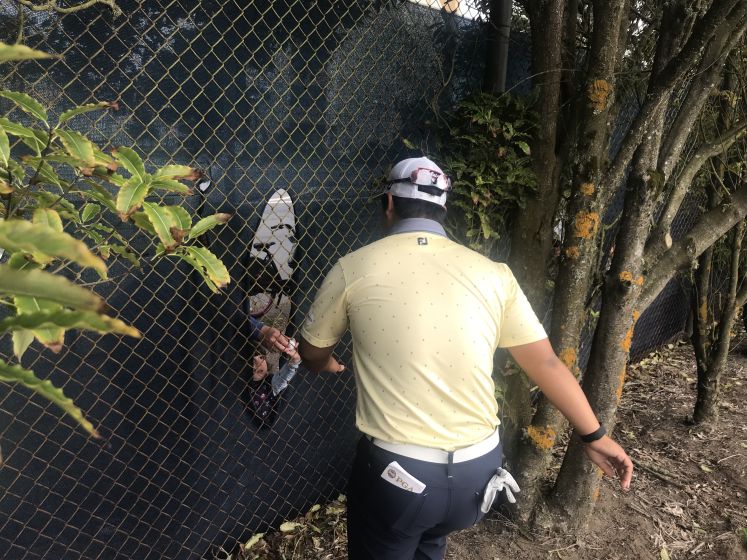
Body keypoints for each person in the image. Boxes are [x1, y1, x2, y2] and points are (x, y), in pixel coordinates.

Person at [297, 157, 633, 560]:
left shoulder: (353, 267)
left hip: (399, 479)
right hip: (479, 476)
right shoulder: (493, 274)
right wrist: (595, 437)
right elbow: (546, 364)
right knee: (432, 535)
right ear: (443, 208)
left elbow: (312, 352)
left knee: (403, 523)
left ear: (388, 203)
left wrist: (325, 364)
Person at [247, 341, 302, 426]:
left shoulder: (270, 382)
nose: (259, 363)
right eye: (252, 361)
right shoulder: (239, 386)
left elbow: (284, 377)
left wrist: (294, 362)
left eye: (261, 357)